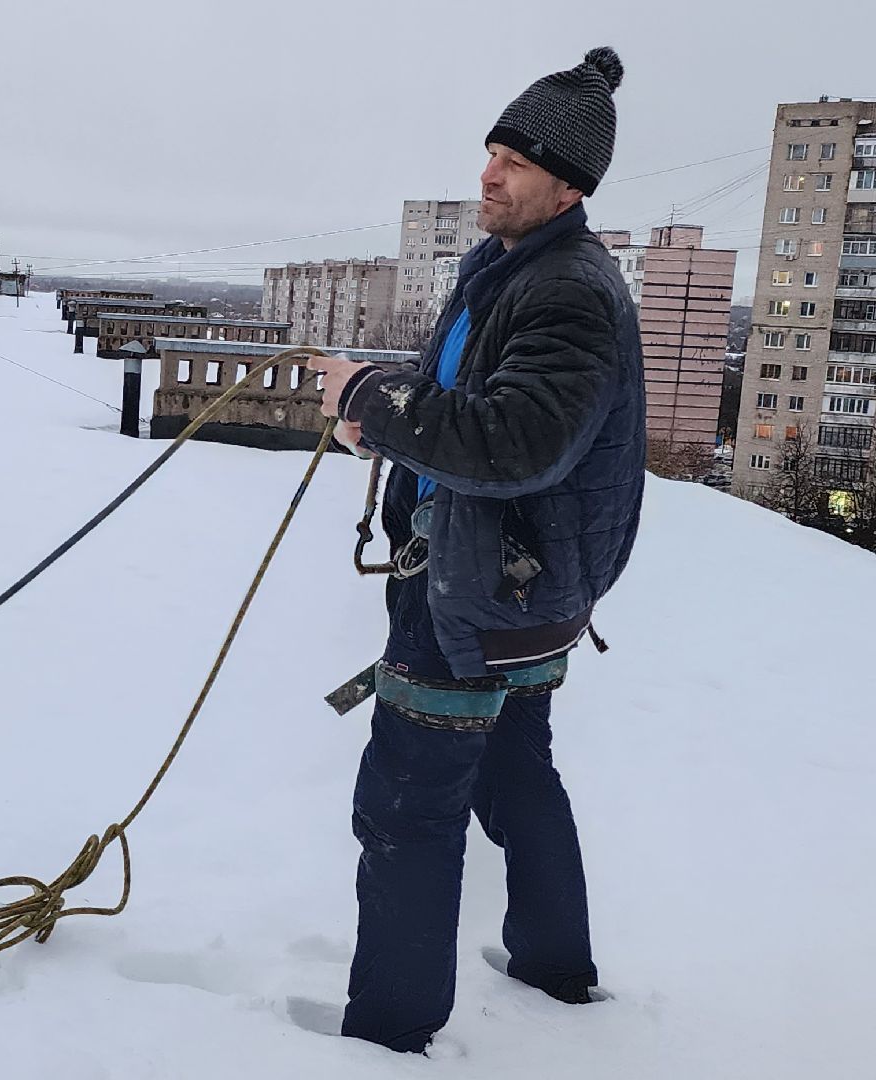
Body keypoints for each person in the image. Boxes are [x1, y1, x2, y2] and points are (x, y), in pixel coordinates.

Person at [304, 46, 646, 1055]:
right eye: (491, 152)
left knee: (406, 808)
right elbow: (465, 402)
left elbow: (515, 443)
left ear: (569, 187)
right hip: (513, 582)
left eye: (516, 162)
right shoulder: (504, 269)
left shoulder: (567, 290)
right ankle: (553, 966)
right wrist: (382, 417)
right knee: (514, 773)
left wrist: (371, 399)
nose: (489, 175)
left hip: (479, 595)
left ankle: (388, 1035)